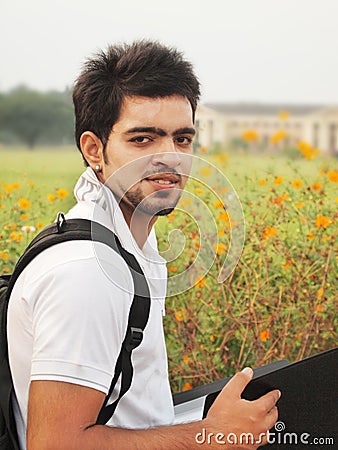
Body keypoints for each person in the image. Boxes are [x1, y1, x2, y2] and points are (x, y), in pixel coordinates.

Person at [7, 40, 280, 449]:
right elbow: (55, 443)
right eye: (143, 139)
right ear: (94, 149)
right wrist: (210, 436)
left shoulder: (127, 243)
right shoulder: (87, 272)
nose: (170, 157)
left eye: (182, 139)